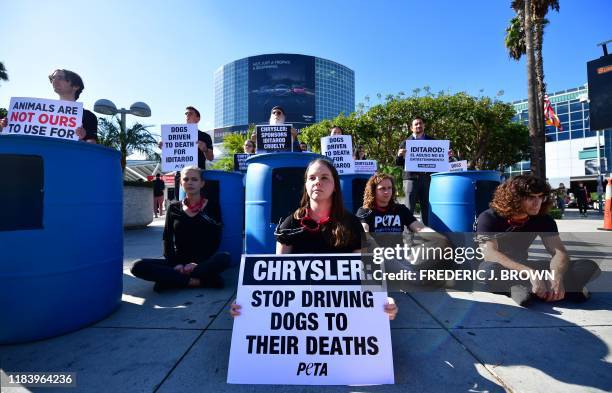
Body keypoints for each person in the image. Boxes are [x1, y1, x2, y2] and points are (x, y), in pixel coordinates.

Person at [231, 158, 398, 319]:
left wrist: (382, 302)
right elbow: (278, 277)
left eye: (325, 177)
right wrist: (248, 305)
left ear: (335, 186)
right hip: (299, 309)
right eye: (312, 178)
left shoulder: (352, 223)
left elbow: (363, 274)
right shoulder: (290, 223)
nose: (317, 182)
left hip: (342, 308)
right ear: (306, 185)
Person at [476, 175, 600, 307]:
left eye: (541, 197)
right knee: (487, 270)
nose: (537, 203)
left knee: (587, 267)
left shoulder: (543, 219)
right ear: (514, 198)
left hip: (527, 266)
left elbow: (559, 252)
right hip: (503, 268)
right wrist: (530, 272)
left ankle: (527, 289)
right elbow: (490, 254)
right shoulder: (489, 217)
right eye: (531, 197)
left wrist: (556, 276)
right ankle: (528, 288)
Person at [131, 166, 230, 291]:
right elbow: (167, 238)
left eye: (194, 179)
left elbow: (216, 238)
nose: (190, 182)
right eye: (186, 179)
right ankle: (197, 281)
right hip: (177, 261)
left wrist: (196, 263)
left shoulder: (212, 207)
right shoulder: (173, 208)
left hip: (202, 262)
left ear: (202, 183)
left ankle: (172, 280)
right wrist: (176, 264)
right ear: (181, 183)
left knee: (224, 258)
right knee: (137, 266)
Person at [1, 69, 97, 143]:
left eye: (60, 77)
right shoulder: (37, 112)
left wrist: (83, 138)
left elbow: (92, 146)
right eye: (53, 78)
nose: (55, 80)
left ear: (75, 86)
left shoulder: (88, 116)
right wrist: (3, 127)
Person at [395, 118, 434, 225]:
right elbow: (398, 163)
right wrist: (399, 155)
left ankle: (427, 237)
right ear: (411, 128)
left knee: (427, 209)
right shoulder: (405, 143)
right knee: (408, 209)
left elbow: (439, 160)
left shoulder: (433, 142)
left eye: (420, 123)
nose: (418, 126)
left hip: (427, 179)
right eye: (416, 124)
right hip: (410, 179)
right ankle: (408, 240)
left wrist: (447, 155)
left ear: (424, 126)